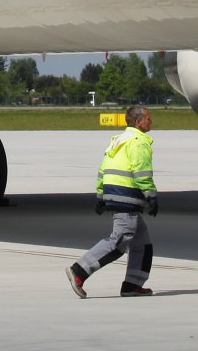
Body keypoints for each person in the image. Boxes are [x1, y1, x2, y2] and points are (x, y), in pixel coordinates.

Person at [66, 104, 158, 297]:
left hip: (114, 194)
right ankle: (79, 271)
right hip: (127, 197)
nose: (151, 121)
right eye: (148, 118)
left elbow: (103, 169)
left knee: (142, 245)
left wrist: (100, 195)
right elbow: (142, 173)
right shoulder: (139, 141)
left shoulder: (118, 140)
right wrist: (151, 196)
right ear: (139, 122)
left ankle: (132, 285)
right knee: (119, 242)